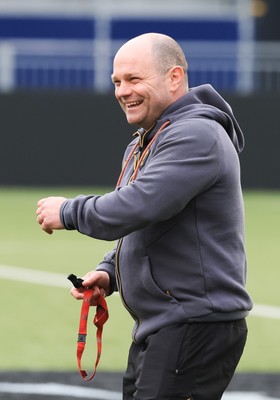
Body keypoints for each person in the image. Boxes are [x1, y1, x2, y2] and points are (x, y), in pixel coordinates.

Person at [36, 32, 253, 400]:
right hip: (167, 324)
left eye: (134, 79)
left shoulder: (196, 135)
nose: (123, 91)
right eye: (117, 82)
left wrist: (68, 210)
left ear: (174, 77)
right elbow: (144, 222)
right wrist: (109, 272)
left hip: (194, 324)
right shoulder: (147, 139)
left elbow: (138, 205)